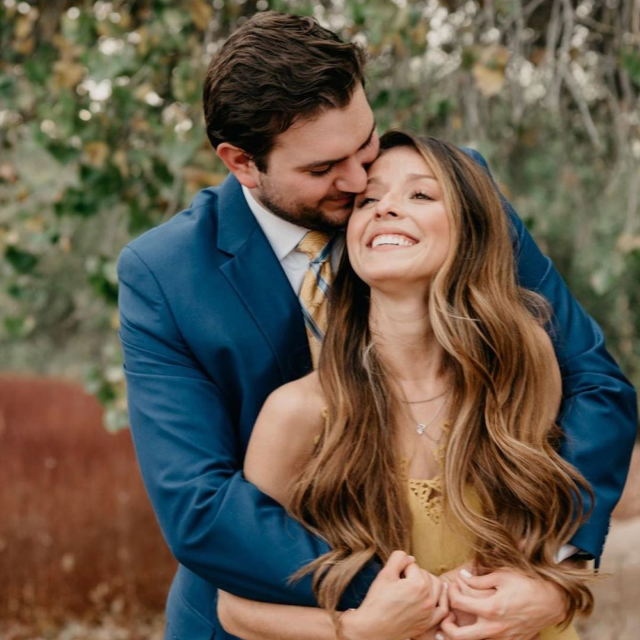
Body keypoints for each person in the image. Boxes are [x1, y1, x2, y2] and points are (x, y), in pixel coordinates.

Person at [116, 12, 637, 640]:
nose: (362, 181)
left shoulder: (447, 192)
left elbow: (595, 383)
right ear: (242, 163)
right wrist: (402, 600)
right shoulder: (165, 274)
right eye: (323, 169)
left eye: (363, 143)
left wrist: (556, 572)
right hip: (275, 611)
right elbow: (200, 507)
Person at [216, 130, 596, 640]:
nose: (386, 208)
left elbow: (555, 536)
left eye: (420, 194)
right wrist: (356, 630)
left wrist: (554, 592)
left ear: (470, 227)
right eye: (368, 201)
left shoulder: (524, 365)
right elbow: (235, 608)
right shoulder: (298, 411)